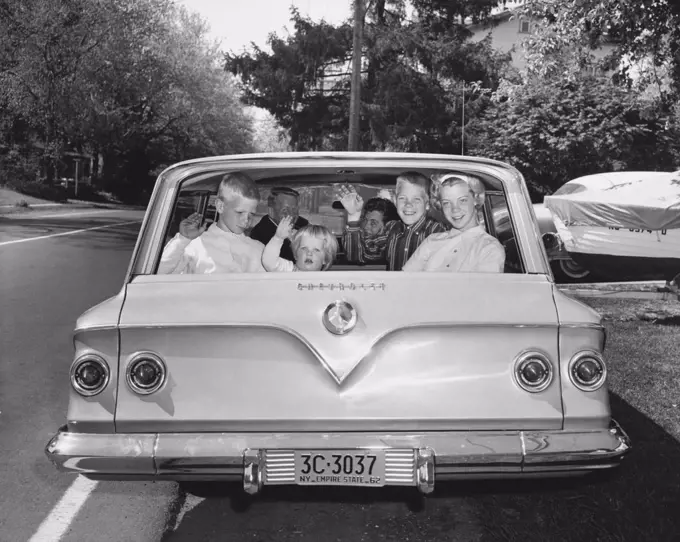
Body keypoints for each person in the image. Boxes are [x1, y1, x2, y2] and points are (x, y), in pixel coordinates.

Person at [157, 172, 266, 274]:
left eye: (251, 214)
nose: (246, 220)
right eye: (240, 212)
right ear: (220, 206)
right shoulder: (195, 243)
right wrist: (182, 240)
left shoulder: (258, 249)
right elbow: (158, 273)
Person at [340, 171, 448, 270]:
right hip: (395, 291)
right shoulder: (391, 229)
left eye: (416, 199)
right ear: (396, 201)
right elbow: (358, 255)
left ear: (427, 204)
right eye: (402, 198)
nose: (408, 204)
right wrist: (353, 216)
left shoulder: (437, 231)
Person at [402, 173, 505, 273]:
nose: (455, 209)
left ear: (475, 199)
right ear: (440, 205)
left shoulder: (489, 247)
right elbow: (404, 281)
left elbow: (482, 289)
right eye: (446, 203)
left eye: (462, 200)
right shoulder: (431, 240)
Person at [249, 186, 309, 262]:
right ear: (271, 211)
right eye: (284, 210)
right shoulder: (259, 236)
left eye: (294, 209)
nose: (291, 215)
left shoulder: (303, 224)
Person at [262, 215, 338, 272]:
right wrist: (278, 238)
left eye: (316, 250)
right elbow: (269, 262)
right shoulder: (289, 269)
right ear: (296, 255)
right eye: (304, 248)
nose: (309, 253)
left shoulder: (326, 280)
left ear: (326, 259)